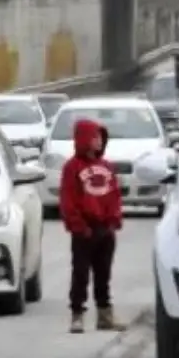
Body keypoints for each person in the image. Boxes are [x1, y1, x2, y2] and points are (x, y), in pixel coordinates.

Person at [59, 119, 126, 334]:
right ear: (84, 139)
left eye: (100, 138)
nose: (98, 141)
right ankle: (77, 315)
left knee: (103, 274)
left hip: (105, 229)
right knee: (80, 273)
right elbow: (68, 199)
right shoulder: (72, 167)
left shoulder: (107, 167)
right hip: (84, 229)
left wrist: (113, 220)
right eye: (95, 137)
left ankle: (105, 315)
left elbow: (114, 195)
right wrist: (78, 226)